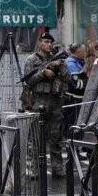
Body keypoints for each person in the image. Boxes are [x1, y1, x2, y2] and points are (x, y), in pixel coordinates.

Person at [22, 32, 70, 178]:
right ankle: (34, 168)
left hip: (55, 100)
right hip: (38, 100)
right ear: (39, 43)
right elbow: (28, 81)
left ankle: (57, 167)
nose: (48, 44)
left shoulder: (59, 59)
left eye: (50, 42)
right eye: (45, 41)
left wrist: (60, 69)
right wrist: (43, 73)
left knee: (56, 136)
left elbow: (68, 78)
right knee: (36, 135)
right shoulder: (32, 59)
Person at [63, 43, 89, 136]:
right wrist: (89, 82)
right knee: (74, 123)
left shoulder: (79, 61)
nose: (85, 53)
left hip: (79, 99)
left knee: (79, 123)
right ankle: (73, 144)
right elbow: (77, 84)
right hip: (74, 99)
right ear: (78, 52)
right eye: (84, 51)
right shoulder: (71, 64)